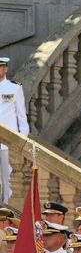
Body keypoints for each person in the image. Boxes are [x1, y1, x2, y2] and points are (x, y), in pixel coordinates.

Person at [0, 56, 30, 204]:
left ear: (5, 69)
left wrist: (21, 141)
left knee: (8, 181)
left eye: (1, 67)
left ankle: (6, 212)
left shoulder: (14, 87)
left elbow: (21, 117)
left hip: (8, 144)